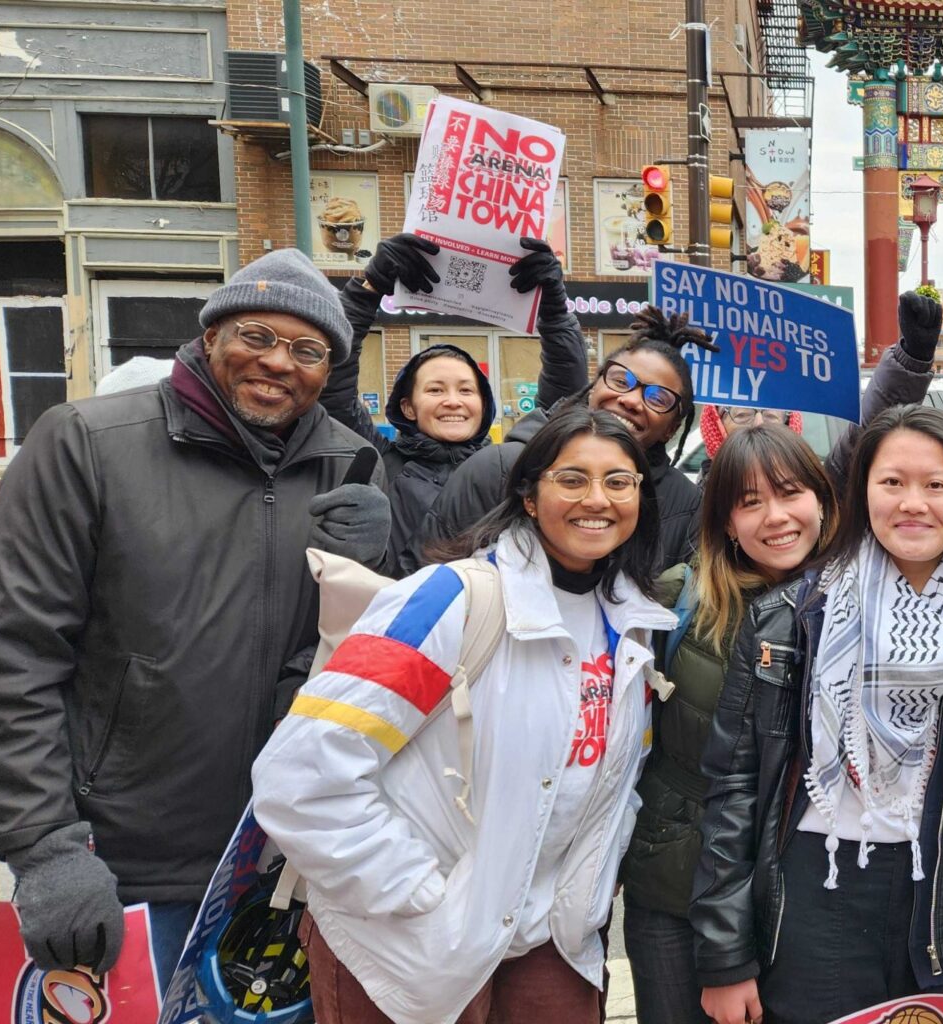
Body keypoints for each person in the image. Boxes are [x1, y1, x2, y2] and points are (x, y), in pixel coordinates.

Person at [0, 250, 390, 975]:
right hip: (124, 871)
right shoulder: (86, 442)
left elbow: (369, 661)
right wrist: (44, 847)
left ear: (329, 368)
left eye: (306, 349)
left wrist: (383, 569)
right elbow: (10, 656)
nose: (277, 363)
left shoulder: (352, 462)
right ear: (210, 339)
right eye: (255, 337)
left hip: (290, 866)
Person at [252, 406, 675, 1024]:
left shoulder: (634, 624)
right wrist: (420, 896)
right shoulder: (448, 600)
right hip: (405, 947)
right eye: (572, 479)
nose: (598, 499)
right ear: (529, 496)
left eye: (619, 481)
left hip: (546, 943)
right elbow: (303, 777)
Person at [691, 406, 943, 1024]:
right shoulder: (794, 615)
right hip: (816, 901)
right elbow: (734, 789)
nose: (914, 503)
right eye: (892, 482)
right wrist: (725, 956)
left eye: (936, 485)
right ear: (860, 493)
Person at [619, 425, 838, 1024]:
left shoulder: (858, 608)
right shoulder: (675, 603)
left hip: (799, 897)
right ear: (723, 521)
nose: (775, 517)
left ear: (821, 499)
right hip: (674, 891)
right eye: (749, 502)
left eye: (790, 492)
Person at [322, 233, 584, 574]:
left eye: (466, 390)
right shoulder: (379, 462)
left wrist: (553, 308)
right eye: (434, 390)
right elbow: (332, 389)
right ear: (407, 408)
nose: (452, 402)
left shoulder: (511, 467)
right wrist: (369, 289)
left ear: (483, 405)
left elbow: (565, 401)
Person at [424, 305, 702, 574]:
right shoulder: (498, 468)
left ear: (672, 428)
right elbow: (422, 584)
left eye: (657, 398)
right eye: (620, 380)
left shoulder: (685, 504)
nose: (630, 400)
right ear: (594, 387)